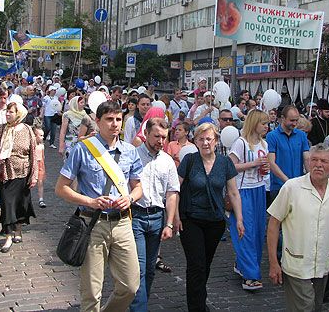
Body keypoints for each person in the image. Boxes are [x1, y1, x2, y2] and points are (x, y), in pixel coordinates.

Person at [55, 101, 143, 312]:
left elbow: (138, 187)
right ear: (98, 121)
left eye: (118, 119)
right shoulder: (83, 149)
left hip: (122, 223)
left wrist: (130, 198)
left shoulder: (130, 151)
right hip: (93, 224)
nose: (114, 124)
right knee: (92, 291)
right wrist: (90, 202)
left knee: (130, 286)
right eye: (109, 119)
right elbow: (61, 188)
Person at [267, 144, 329, 312]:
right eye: (314, 160)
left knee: (316, 307)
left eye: (324, 161)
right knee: (305, 308)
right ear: (308, 163)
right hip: (297, 264)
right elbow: (273, 224)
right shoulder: (292, 187)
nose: (318, 165)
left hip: (323, 264)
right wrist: (273, 262)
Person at [175, 123, 245, 312]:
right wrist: (175, 217)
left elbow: (233, 193)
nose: (205, 143)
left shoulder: (224, 163)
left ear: (216, 141)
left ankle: (199, 298)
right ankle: (196, 307)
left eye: (209, 139)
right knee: (196, 265)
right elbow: (175, 189)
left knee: (204, 265)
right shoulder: (189, 160)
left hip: (215, 221)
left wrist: (239, 219)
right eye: (201, 139)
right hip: (191, 219)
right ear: (195, 141)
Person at [130, 118, 179, 312]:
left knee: (150, 269)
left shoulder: (167, 161)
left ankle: (141, 303)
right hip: (136, 216)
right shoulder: (133, 156)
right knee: (139, 269)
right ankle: (139, 309)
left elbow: (172, 192)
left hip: (157, 218)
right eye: (157, 136)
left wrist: (169, 223)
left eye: (164, 137)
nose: (160, 141)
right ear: (146, 134)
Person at [0, 102, 38, 253]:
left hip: (22, 173)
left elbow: (33, 154)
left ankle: (18, 230)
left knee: (21, 204)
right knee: (8, 204)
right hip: (5, 173)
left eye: (11, 112)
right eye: (7, 112)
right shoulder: (1, 129)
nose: (7, 114)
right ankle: (8, 236)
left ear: (19, 114)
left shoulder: (27, 130)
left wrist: (33, 175)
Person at [228, 110, 270, 290]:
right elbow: (230, 166)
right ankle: (251, 275)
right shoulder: (241, 143)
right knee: (246, 231)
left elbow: (263, 167)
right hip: (243, 190)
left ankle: (243, 264)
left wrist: (264, 168)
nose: (266, 127)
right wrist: (253, 164)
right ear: (254, 124)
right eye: (263, 123)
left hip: (259, 189)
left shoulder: (264, 143)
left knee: (259, 231)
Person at [267, 105, 310, 202]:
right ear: (283, 118)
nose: (294, 123)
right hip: (279, 186)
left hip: (299, 185)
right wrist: (287, 181)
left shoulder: (301, 135)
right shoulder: (272, 136)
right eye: (292, 120)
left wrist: (311, 176)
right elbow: (271, 163)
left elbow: (306, 159)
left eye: (296, 120)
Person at [32, 124, 47, 208]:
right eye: (40, 135)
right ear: (34, 136)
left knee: (40, 182)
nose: (42, 137)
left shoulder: (42, 145)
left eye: (43, 135)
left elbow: (43, 156)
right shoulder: (32, 145)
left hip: (40, 164)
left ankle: (41, 199)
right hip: (33, 164)